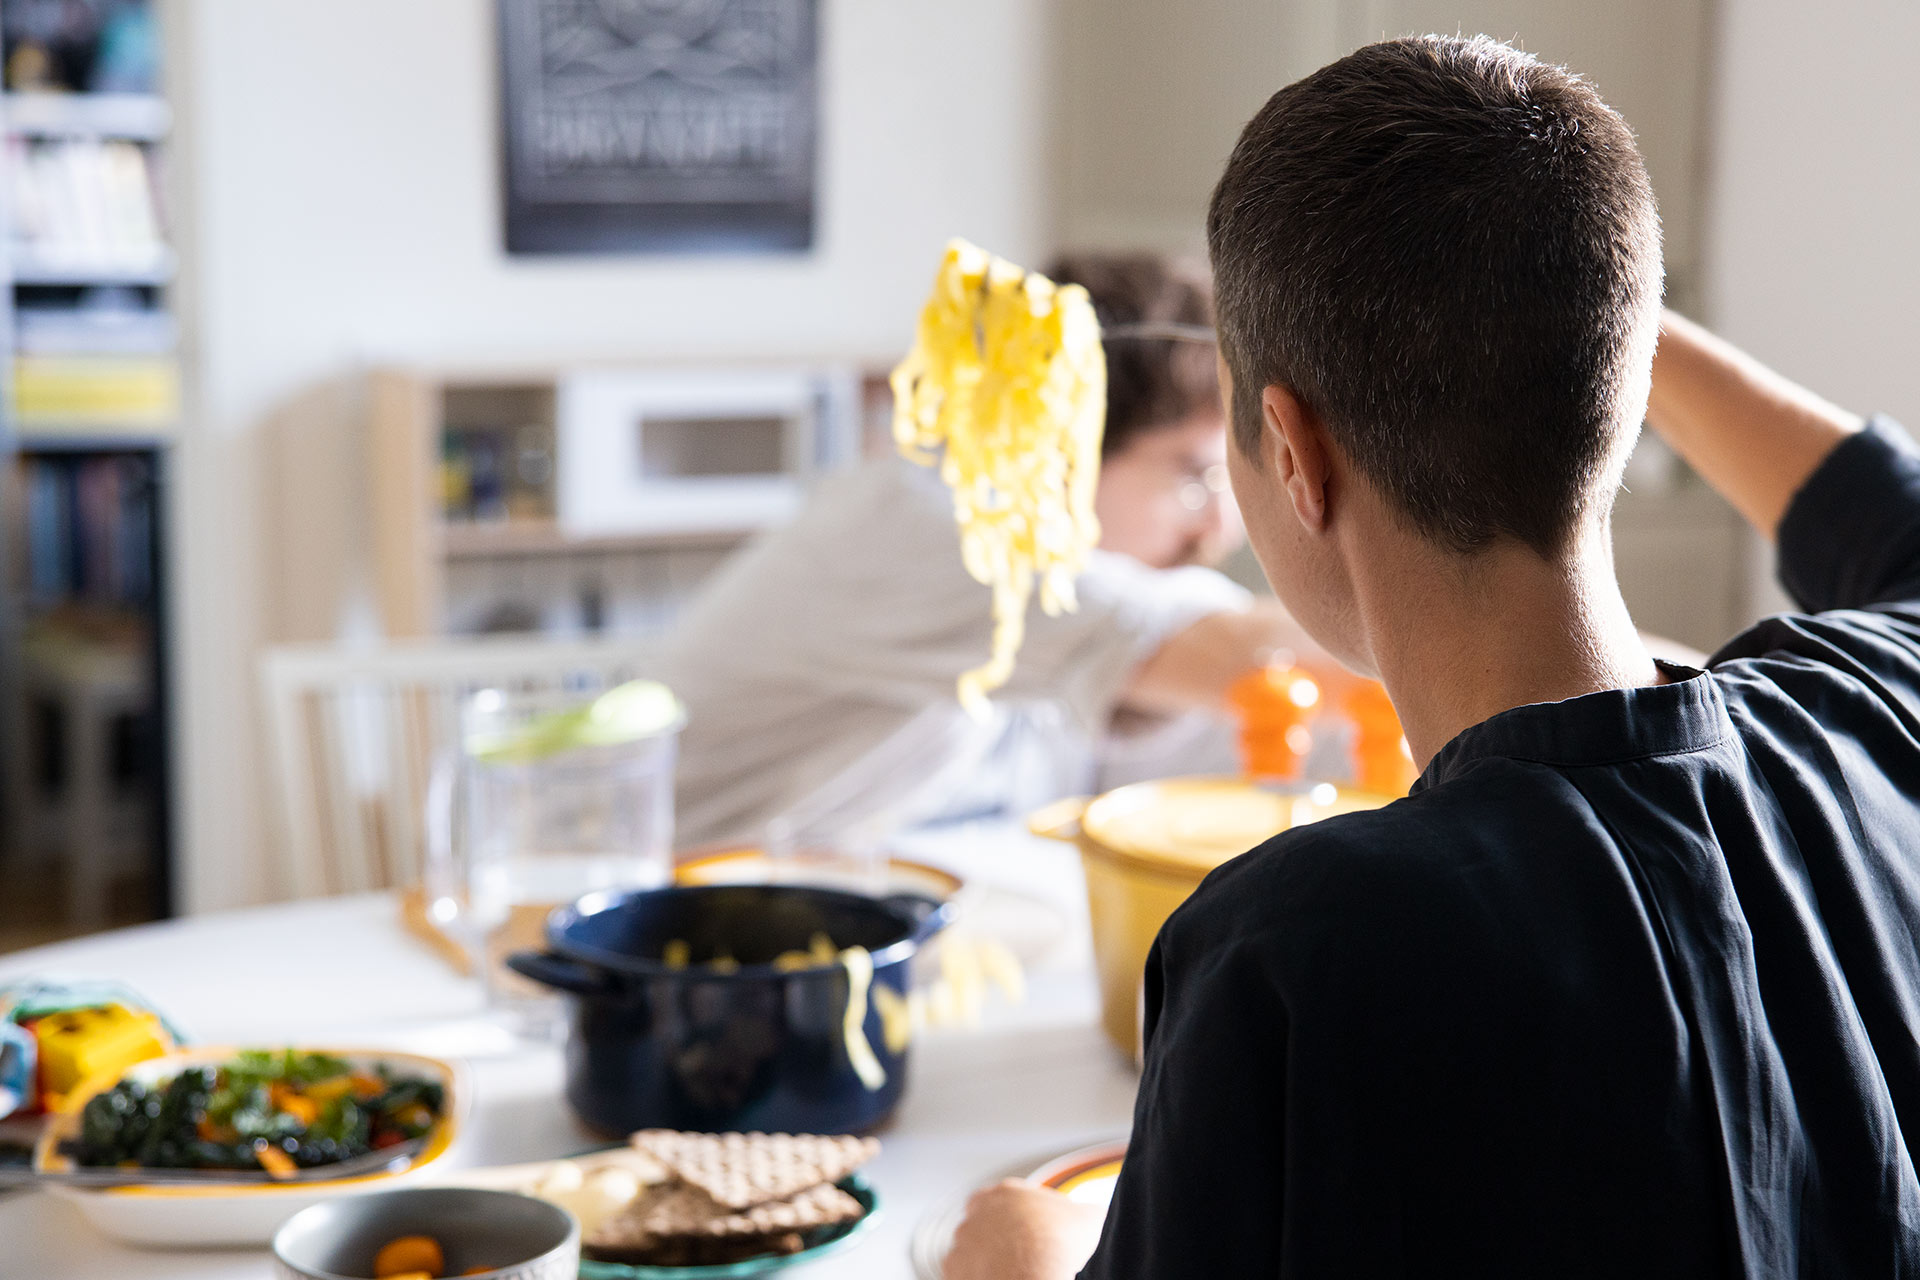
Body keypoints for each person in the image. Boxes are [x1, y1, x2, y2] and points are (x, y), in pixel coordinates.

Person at [946, 34, 1920, 1278]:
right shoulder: (1878, 716)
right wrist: (1576, 307)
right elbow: (1883, 509)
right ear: (1618, 389)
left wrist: (1014, 1256)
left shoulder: (1299, 945)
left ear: (1292, 455)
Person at [661, 255, 1318, 853]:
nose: (1217, 527)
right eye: (1193, 476)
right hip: (692, 932)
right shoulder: (925, 527)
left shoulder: (1066, 620)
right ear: (1067, 444)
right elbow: (1246, 657)